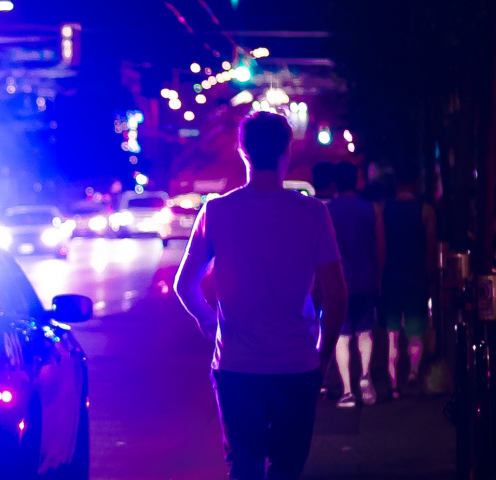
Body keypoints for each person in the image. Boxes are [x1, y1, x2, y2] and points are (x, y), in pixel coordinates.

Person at [175, 111, 347, 480]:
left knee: (245, 466)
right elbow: (336, 295)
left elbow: (185, 284)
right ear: (288, 151)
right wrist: (322, 357)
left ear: (242, 151)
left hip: (236, 366)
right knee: (287, 468)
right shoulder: (313, 213)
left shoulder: (216, 211)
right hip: (297, 365)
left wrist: (209, 322)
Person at [328, 161, 385, 408]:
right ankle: (365, 375)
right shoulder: (371, 209)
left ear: (336, 183)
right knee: (365, 332)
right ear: (356, 180)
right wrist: (378, 277)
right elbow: (380, 246)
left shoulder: (329, 211)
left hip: (340, 282)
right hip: (366, 278)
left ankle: (347, 391)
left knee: (342, 337)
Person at [381, 162, 437, 398]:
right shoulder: (426, 211)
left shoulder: (384, 209)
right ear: (416, 183)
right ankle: (413, 371)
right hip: (416, 277)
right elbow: (431, 250)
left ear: (395, 182)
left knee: (392, 333)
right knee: (415, 329)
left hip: (391, 277)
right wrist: (431, 277)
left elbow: (381, 247)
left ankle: (394, 383)